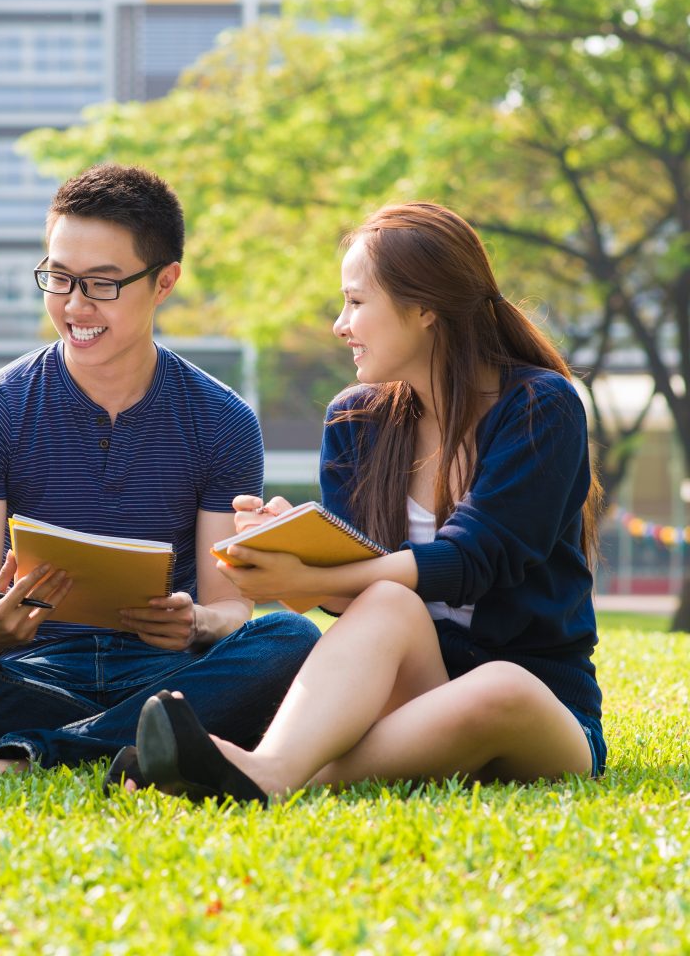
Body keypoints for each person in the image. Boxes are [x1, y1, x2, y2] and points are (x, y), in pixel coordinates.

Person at [133, 201, 607, 803]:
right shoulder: (356, 420)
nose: (339, 323)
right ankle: (260, 771)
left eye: (356, 302)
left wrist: (323, 569)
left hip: (539, 708)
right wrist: (291, 554)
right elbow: (345, 598)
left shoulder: (540, 405)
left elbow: (474, 559)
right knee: (385, 600)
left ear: (426, 307)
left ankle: (261, 774)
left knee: (499, 686)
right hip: (412, 691)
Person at [0, 163, 320, 780]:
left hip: (163, 671)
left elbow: (230, 609)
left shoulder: (223, 419)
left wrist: (195, 621)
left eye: (102, 284)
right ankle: (131, 743)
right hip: (31, 667)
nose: (74, 305)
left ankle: (26, 755)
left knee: (289, 639)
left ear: (164, 281)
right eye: (58, 278)